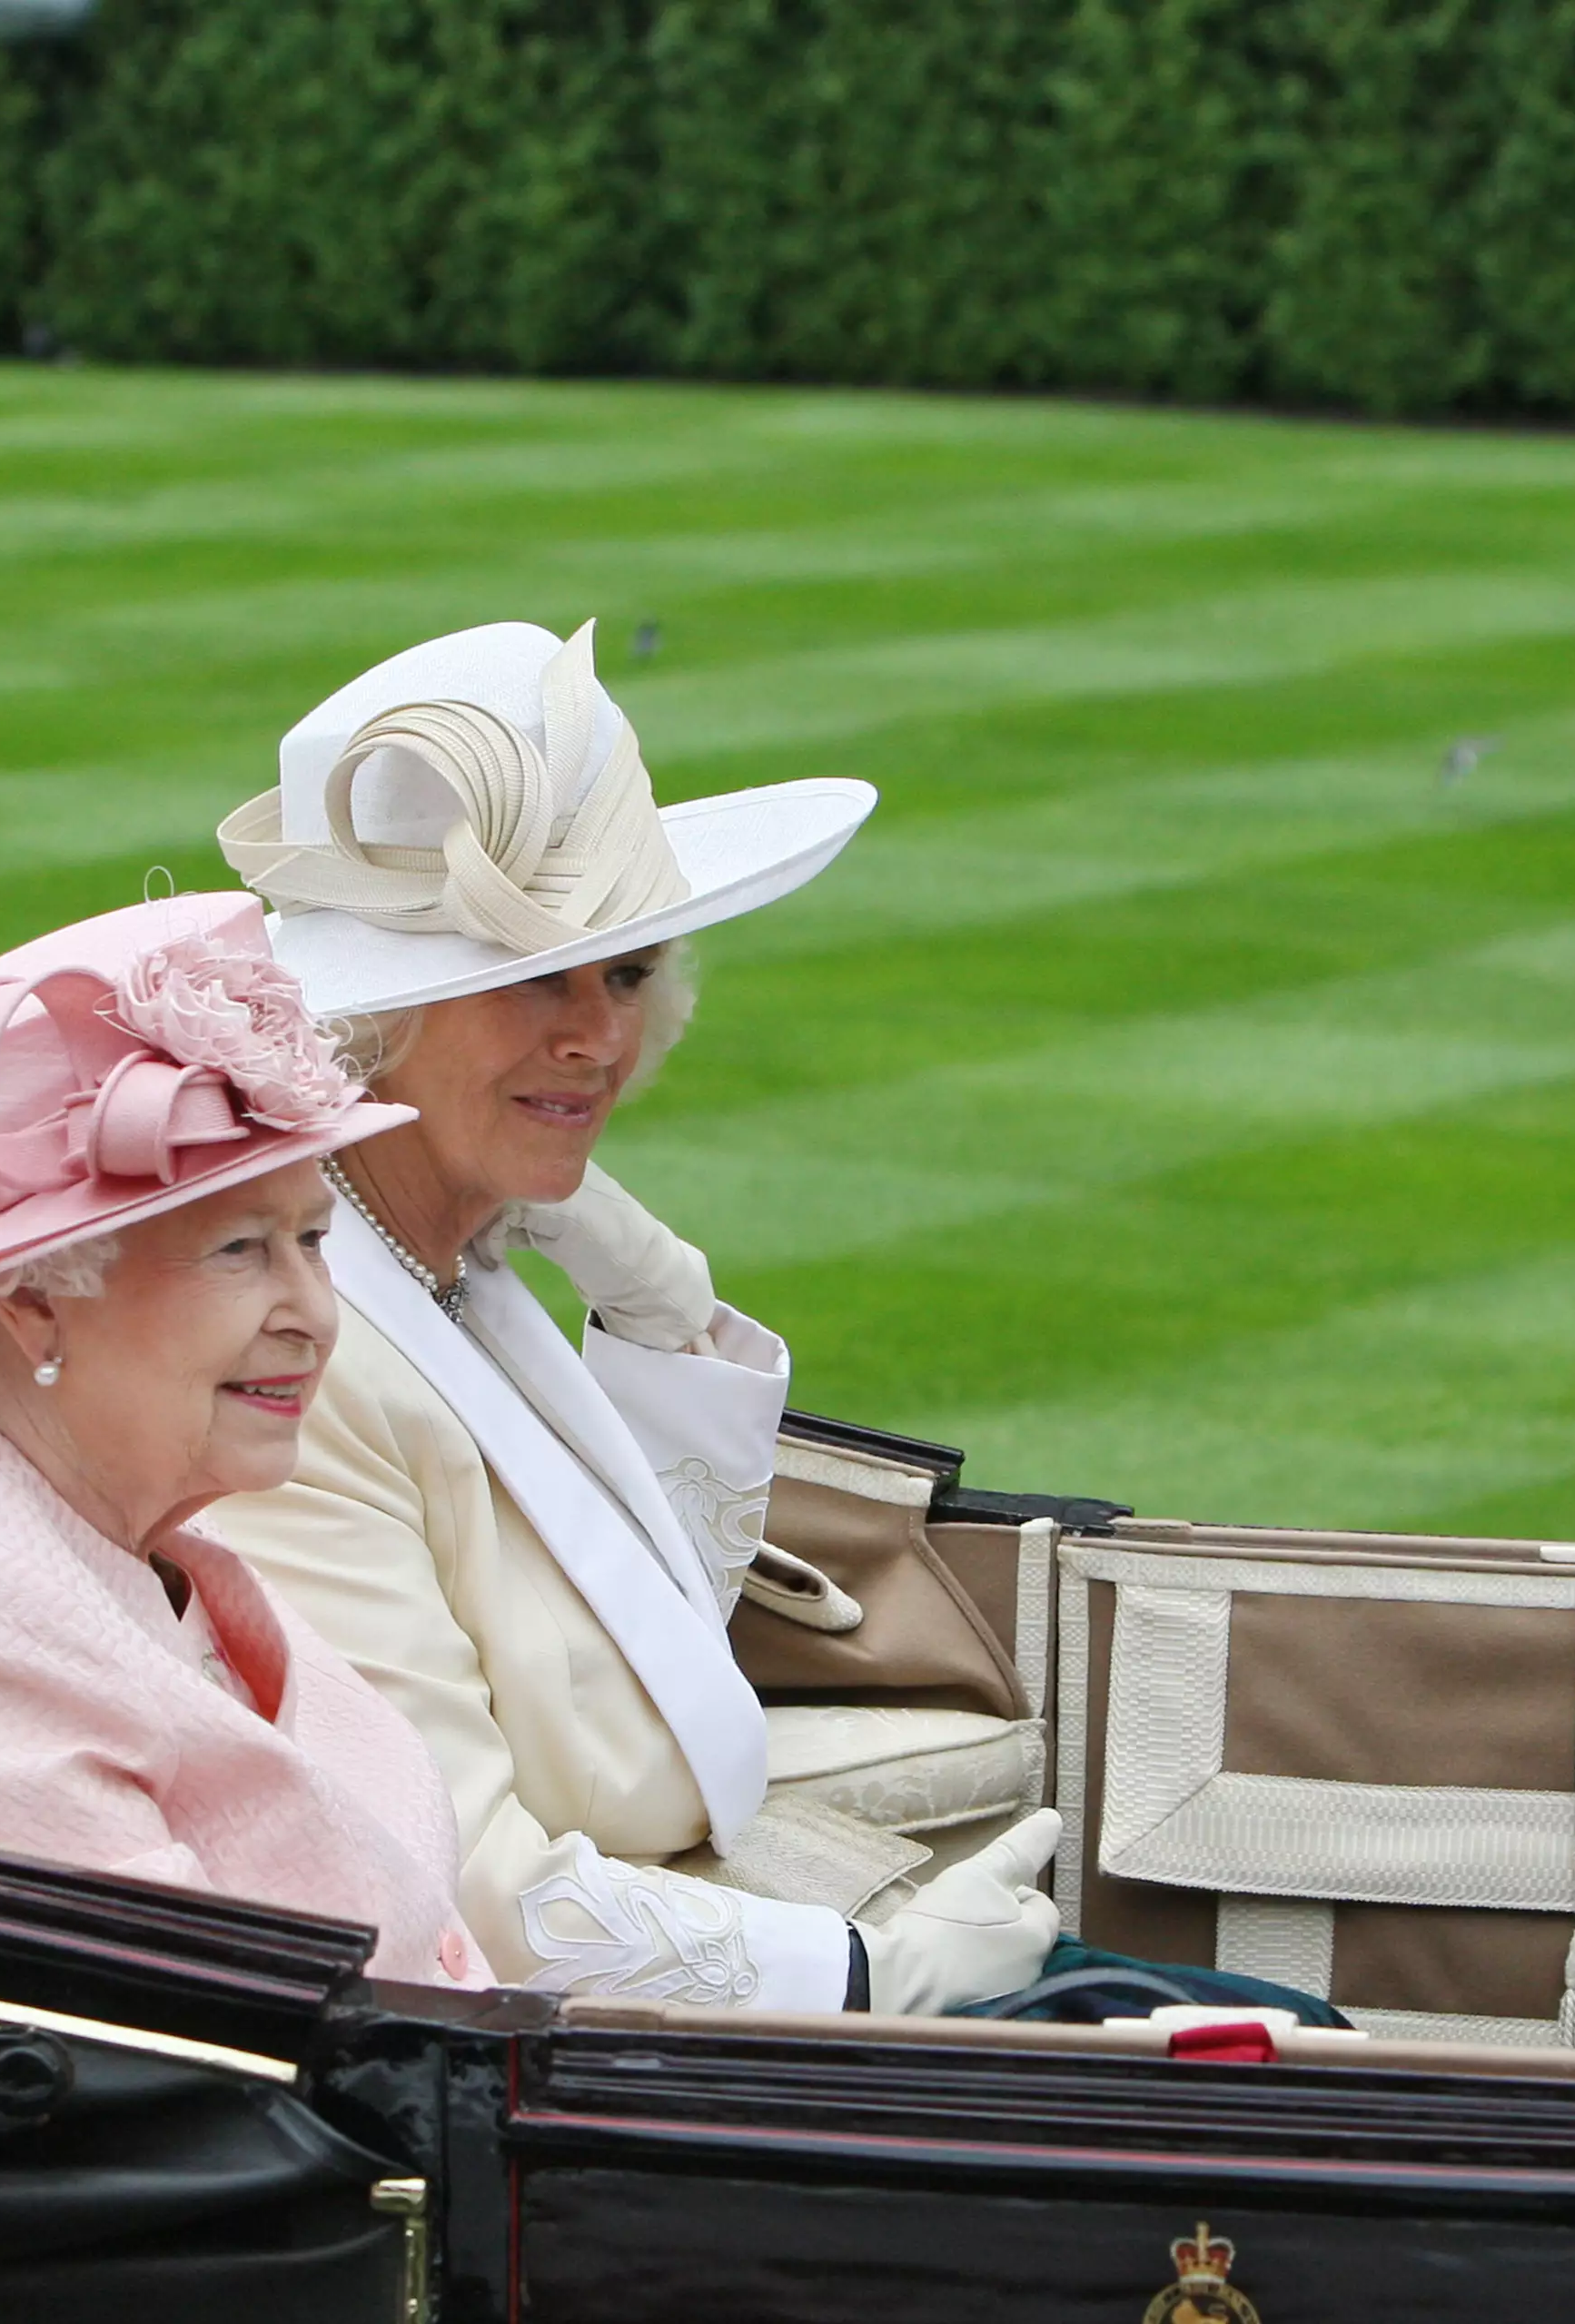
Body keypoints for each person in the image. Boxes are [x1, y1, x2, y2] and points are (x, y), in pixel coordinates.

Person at [209, 618, 1059, 2016]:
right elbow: (462, 1885)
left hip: (694, 1898)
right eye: (532, 975)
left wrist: (651, 1295)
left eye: (626, 970)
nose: (598, 1035)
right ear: (379, 1017)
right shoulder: (301, 1349)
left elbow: (659, 1636)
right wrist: (869, 1974)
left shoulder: (451, 1260)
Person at [0, 895, 487, 1984]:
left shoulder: (117, 1533)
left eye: (312, 1237)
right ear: (34, 1304)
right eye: (238, 1251)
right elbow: (208, 2066)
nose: (314, 1310)